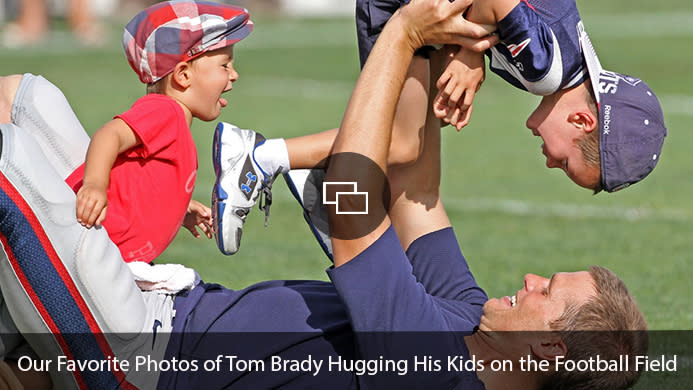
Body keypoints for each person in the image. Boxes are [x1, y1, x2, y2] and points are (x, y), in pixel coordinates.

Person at [0, 0, 646, 389]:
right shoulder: (465, 315)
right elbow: (413, 186)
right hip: (154, 297)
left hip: (141, 354)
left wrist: (399, 38)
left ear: (549, 349)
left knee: (14, 166)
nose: (530, 279)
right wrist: (433, 34)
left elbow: (352, 196)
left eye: (546, 293)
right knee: (27, 100)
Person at [212, 0, 667, 256]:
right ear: (582, 120)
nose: (549, 160)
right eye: (564, 162)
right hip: (407, 7)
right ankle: (260, 158)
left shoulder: (566, 56)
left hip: (427, 12)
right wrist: (473, 48)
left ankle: (320, 179)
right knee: (398, 142)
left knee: (411, 144)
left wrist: (473, 51)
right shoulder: (545, 70)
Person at [34, 0, 255, 264]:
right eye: (225, 65)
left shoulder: (174, 124)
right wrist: (94, 185)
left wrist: (178, 208)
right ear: (183, 75)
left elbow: (140, 185)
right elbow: (109, 135)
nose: (235, 75)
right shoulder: (167, 113)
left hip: (105, 255)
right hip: (90, 248)